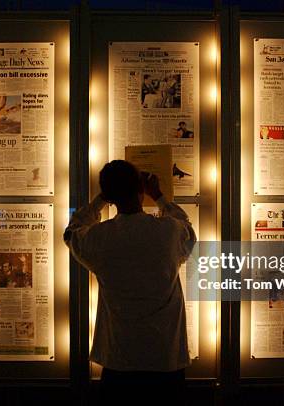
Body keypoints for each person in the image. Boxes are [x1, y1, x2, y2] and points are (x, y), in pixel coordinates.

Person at [64, 160, 196, 406]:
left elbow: (72, 231)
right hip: (165, 358)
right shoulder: (168, 232)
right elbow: (188, 229)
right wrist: (158, 196)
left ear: (110, 196)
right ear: (141, 190)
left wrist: (102, 198)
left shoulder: (100, 238)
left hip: (119, 359)